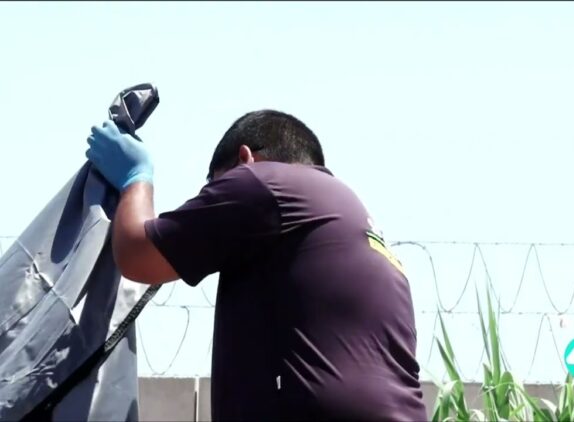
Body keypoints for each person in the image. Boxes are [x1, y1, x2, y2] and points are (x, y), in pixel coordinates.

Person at [85, 110, 427, 421]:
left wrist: (136, 178)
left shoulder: (262, 182)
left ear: (246, 158)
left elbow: (138, 255)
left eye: (214, 187)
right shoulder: (350, 217)